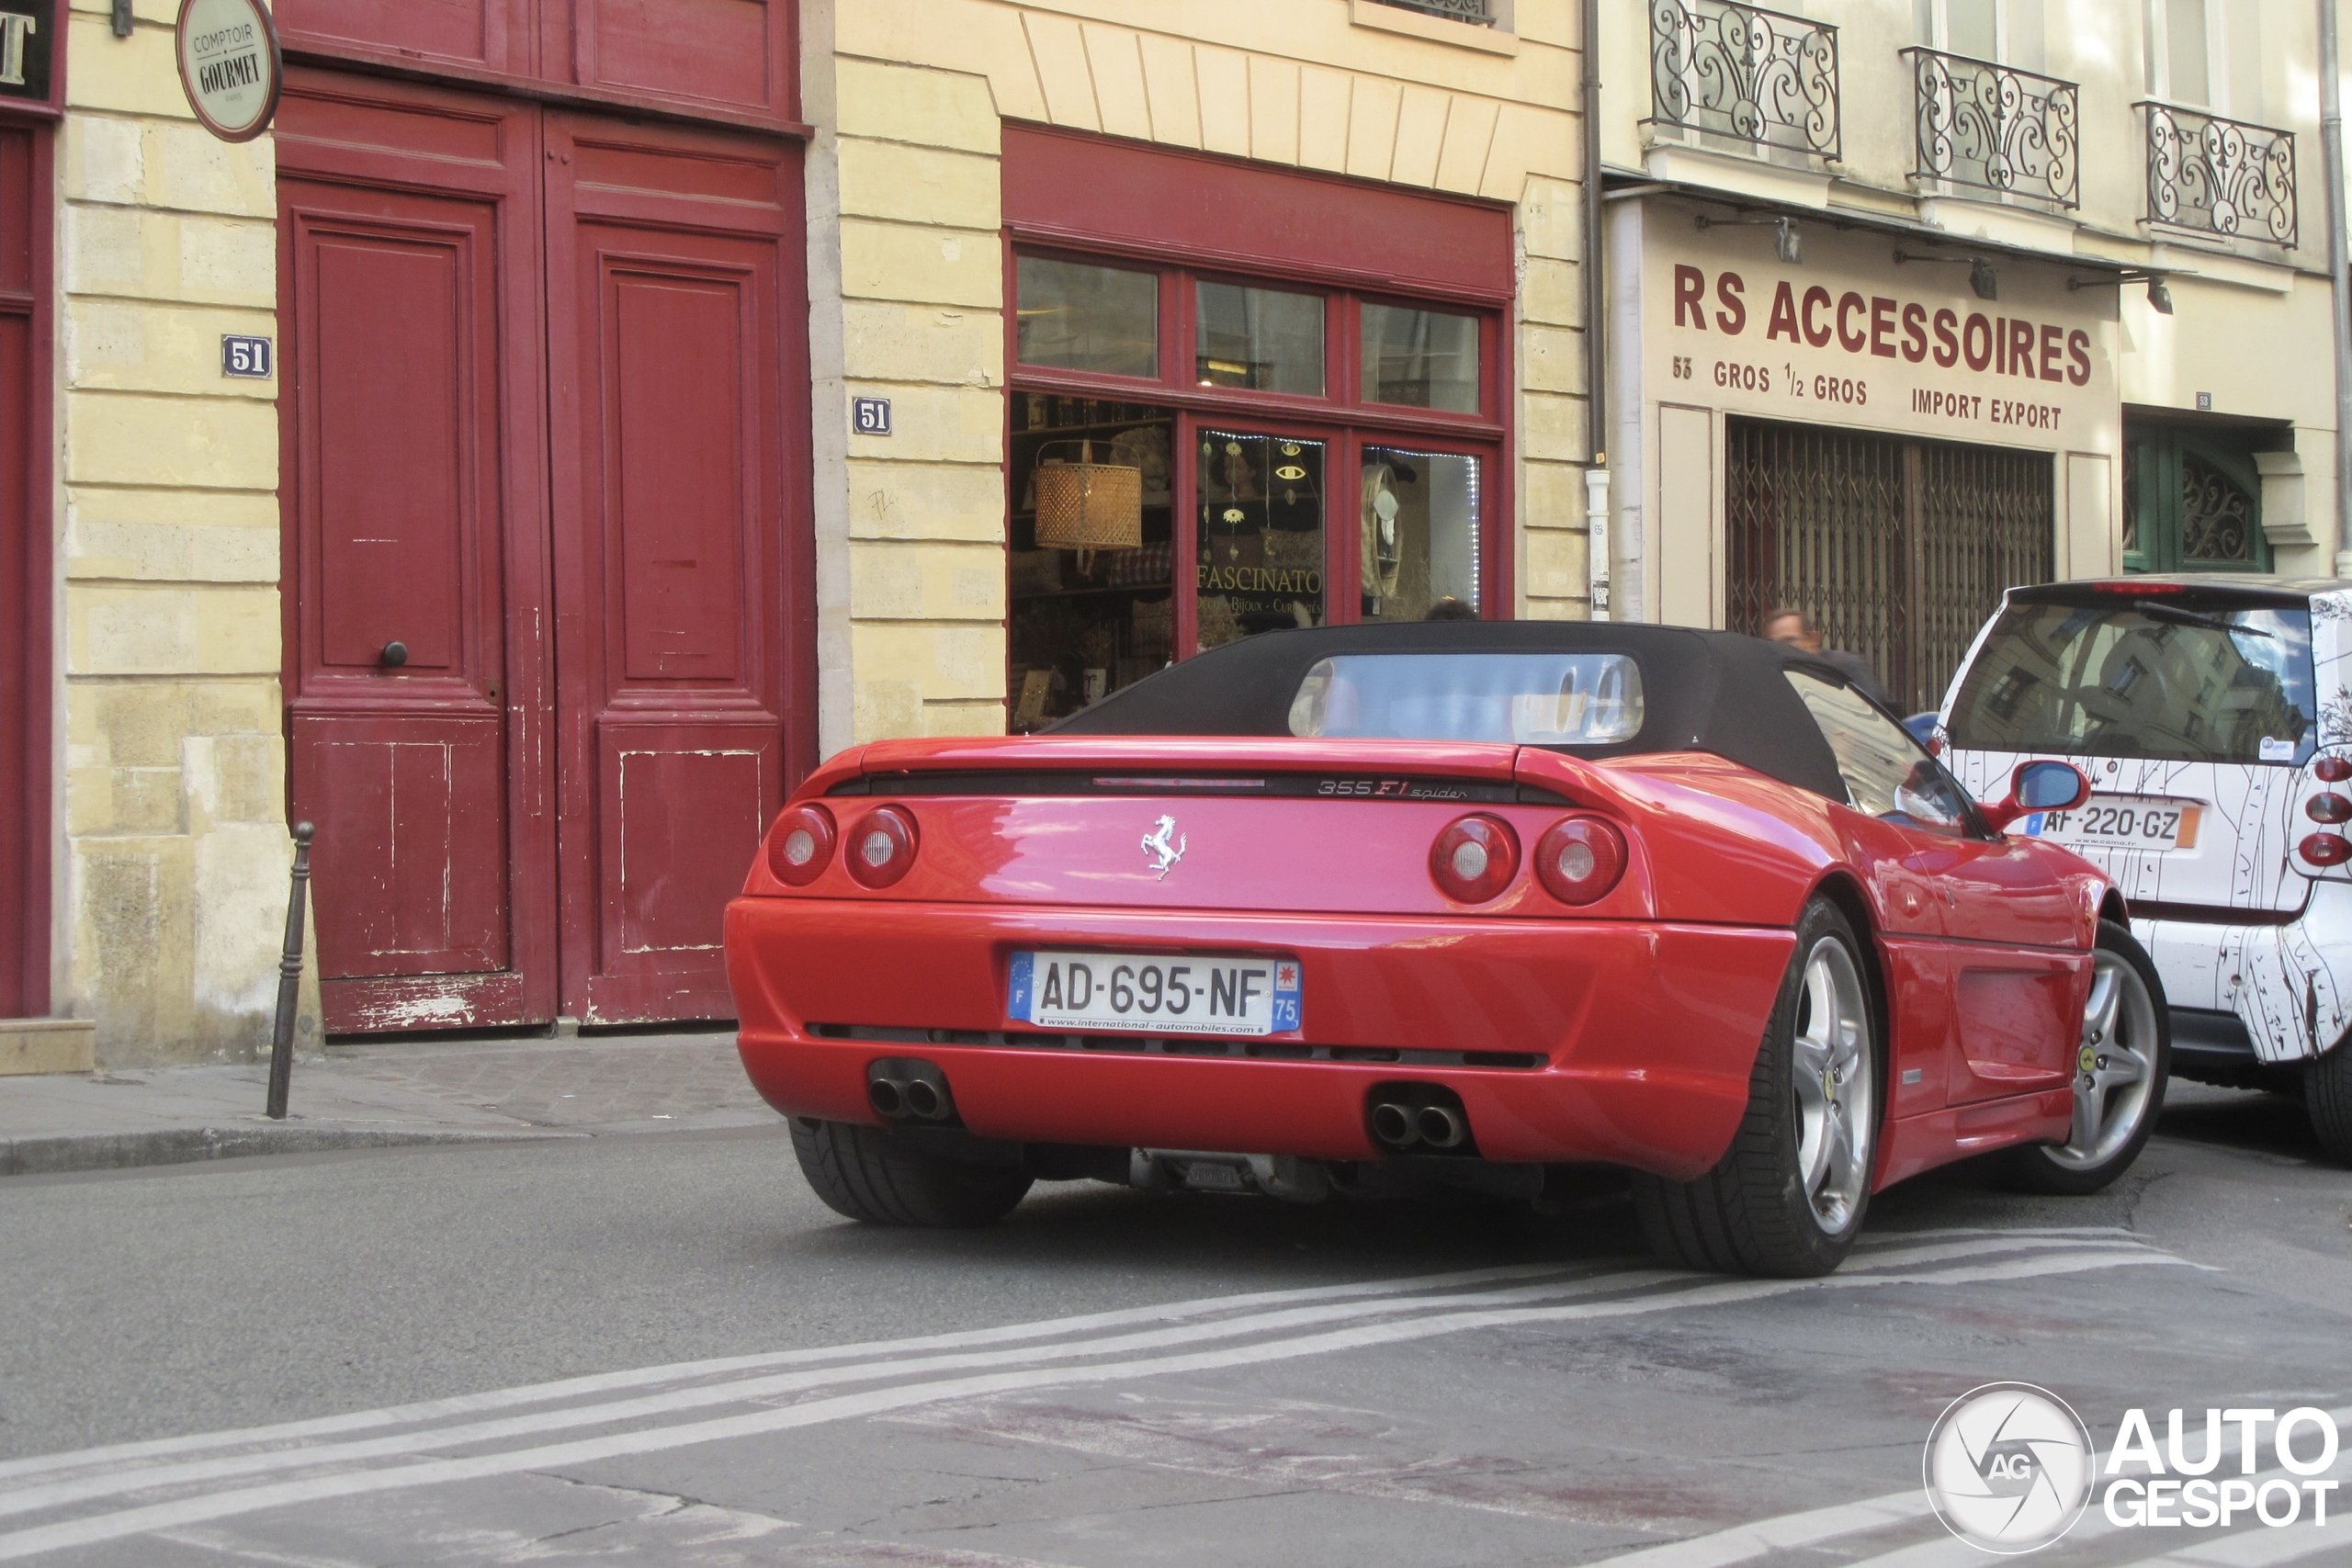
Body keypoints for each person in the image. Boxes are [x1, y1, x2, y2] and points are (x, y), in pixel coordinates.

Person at [1762, 605, 1891, 708]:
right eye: (1773, 644)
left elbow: (1873, 712)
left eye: (1789, 641)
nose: (1780, 649)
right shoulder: (1777, 676)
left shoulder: (1845, 666)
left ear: (1812, 640)